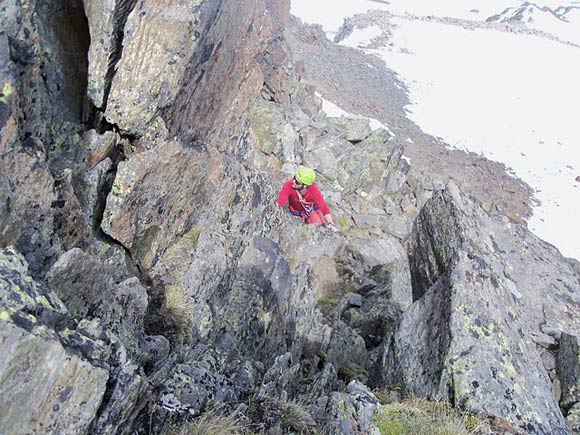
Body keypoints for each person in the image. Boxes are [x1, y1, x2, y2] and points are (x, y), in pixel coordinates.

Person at [277, 167, 340, 232]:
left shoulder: (313, 190)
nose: (293, 182)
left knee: (319, 228)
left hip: (311, 210)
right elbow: (280, 202)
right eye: (294, 178)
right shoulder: (288, 185)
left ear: (305, 186)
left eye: (297, 182)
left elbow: (323, 206)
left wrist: (330, 223)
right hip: (295, 211)